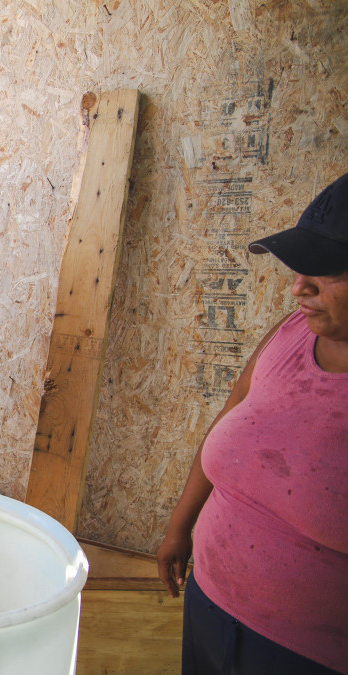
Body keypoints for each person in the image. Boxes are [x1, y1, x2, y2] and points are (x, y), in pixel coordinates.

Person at [156, 173, 348, 674]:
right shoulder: (288, 335)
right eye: (300, 267)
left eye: (324, 272)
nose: (298, 287)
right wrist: (181, 527)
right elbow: (229, 422)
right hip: (210, 605)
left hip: (303, 655)